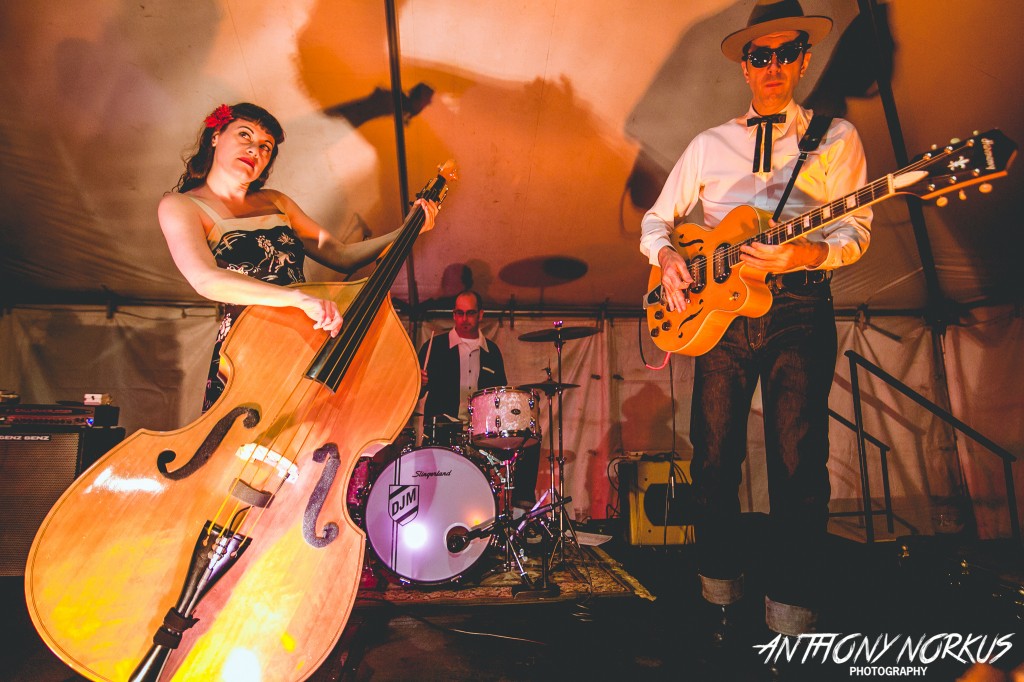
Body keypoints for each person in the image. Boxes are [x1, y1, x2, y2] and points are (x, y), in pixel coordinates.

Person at [639, 0, 872, 640]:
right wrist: (666, 259)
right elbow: (657, 219)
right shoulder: (708, 145)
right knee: (713, 459)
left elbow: (857, 229)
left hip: (799, 303)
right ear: (745, 66)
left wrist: (805, 250)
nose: (772, 66)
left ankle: (793, 614)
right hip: (721, 318)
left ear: (803, 60)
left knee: (798, 462)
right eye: (759, 56)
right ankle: (719, 596)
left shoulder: (838, 138)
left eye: (784, 54)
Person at [158, 102, 438, 410]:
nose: (255, 150)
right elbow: (205, 279)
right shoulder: (181, 206)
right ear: (215, 136)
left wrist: (409, 231)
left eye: (266, 147)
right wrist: (297, 299)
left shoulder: (276, 202)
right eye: (244, 135)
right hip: (245, 349)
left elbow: (341, 255)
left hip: (304, 341)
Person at [418, 290, 540, 510]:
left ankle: (521, 510)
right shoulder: (434, 347)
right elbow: (413, 395)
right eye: (459, 313)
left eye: (470, 313)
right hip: (444, 434)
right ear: (454, 314)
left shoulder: (491, 351)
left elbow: (500, 397)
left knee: (528, 440)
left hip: (480, 435)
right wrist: (419, 383)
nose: (464, 319)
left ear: (481, 315)